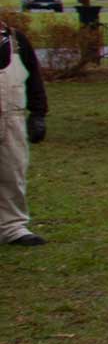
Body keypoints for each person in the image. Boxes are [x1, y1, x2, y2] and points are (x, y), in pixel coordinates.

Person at [0, 16, 48, 247]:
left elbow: (34, 79)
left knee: (12, 172)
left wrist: (38, 114)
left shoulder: (16, 41)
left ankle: (12, 227)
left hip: (12, 119)